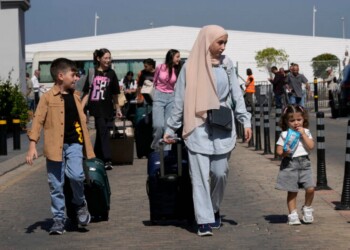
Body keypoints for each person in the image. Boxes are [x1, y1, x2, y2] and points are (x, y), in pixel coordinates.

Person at [163, 25, 252, 237]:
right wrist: (170, 127)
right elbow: (180, 101)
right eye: (219, 42)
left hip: (222, 123)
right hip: (197, 124)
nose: (223, 47)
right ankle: (203, 219)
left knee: (220, 173)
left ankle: (213, 208)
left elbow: (236, 94)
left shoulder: (227, 64)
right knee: (200, 176)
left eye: (225, 43)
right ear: (207, 41)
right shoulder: (189, 67)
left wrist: (245, 120)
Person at [26, 58, 95, 235]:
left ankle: (80, 204)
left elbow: (88, 84)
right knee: (56, 185)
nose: (76, 78)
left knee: (77, 175)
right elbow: (38, 120)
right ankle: (58, 219)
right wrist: (32, 146)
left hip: (74, 144)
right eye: (73, 75)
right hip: (54, 147)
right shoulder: (48, 98)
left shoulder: (76, 95)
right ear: (60, 76)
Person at [81, 48, 123, 170]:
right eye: (105, 58)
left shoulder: (112, 73)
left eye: (109, 58)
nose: (108, 60)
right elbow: (87, 92)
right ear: (98, 59)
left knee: (102, 133)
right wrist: (81, 108)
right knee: (103, 131)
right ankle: (107, 159)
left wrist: (118, 109)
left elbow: (115, 94)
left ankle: (95, 157)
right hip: (96, 109)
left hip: (108, 108)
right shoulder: (92, 73)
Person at [275, 104, 315, 225]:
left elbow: (311, 146)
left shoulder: (306, 132)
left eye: (299, 120)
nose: (296, 123)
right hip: (290, 163)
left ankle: (307, 207)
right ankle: (293, 214)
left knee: (310, 188)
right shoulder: (285, 134)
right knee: (292, 190)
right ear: (286, 122)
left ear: (304, 120)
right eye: (292, 120)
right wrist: (284, 153)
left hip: (304, 163)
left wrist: (303, 135)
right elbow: (278, 151)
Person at [151, 49, 182, 150]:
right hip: (159, 96)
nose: (179, 59)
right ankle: (156, 146)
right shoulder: (160, 67)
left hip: (171, 97)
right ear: (171, 56)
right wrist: (157, 92)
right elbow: (155, 81)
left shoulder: (178, 69)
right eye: (177, 56)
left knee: (168, 127)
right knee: (158, 125)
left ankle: (166, 152)